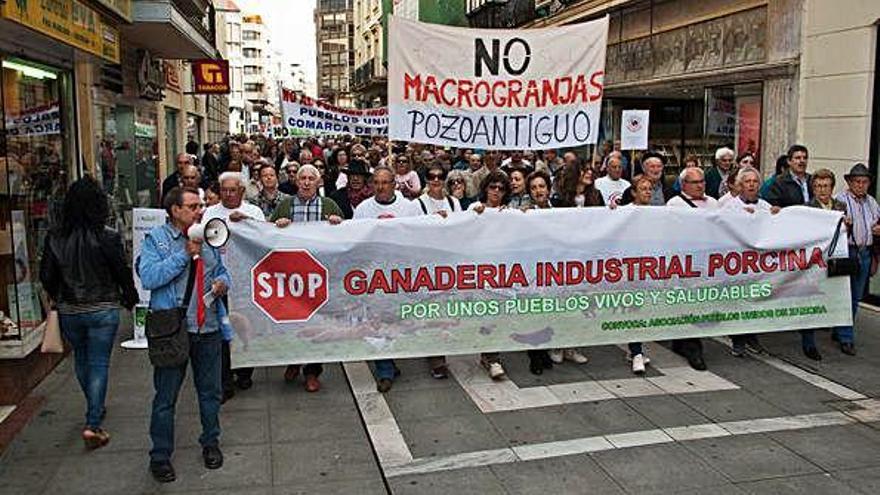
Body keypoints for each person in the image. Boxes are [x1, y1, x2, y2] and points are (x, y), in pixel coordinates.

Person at [138, 187, 231, 483]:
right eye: (192, 206)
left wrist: (221, 284)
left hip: (208, 327)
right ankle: (160, 455)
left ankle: (211, 442)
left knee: (210, 391)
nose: (199, 211)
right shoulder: (157, 240)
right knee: (166, 397)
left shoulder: (209, 237)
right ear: (175, 210)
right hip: (172, 329)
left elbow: (223, 272)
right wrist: (183, 255)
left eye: (200, 205)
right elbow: (150, 277)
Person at [39, 177, 138, 449]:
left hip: (70, 308)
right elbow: (121, 271)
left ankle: (94, 408)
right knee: (98, 363)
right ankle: (93, 421)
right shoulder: (106, 236)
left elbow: (46, 274)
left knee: (82, 360)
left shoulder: (55, 237)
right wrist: (130, 297)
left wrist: (58, 293)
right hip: (103, 307)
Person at [272, 164, 343, 391]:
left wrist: (337, 224)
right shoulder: (286, 206)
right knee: (293, 322)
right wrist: (276, 226)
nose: (305, 182)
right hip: (291, 275)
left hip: (320, 274)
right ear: (296, 181)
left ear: (318, 181)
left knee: (316, 322)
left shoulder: (329, 205)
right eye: (302, 178)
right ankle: (293, 360)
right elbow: (265, 236)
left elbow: (346, 237)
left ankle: (312, 371)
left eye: (310, 178)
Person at [354, 166, 422, 392]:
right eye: (377, 182)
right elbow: (354, 239)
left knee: (400, 320)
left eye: (386, 182)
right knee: (378, 321)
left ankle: (391, 360)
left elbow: (424, 233)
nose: (381, 187)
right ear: (372, 185)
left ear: (395, 184)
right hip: (375, 276)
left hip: (403, 274)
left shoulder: (410, 208)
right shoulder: (363, 209)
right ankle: (384, 369)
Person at [202, 172, 265, 398]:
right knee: (222, 331)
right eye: (224, 190)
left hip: (246, 279)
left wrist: (246, 223)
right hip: (219, 281)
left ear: (241, 191)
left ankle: (245, 372)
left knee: (244, 328)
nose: (228, 194)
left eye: (233, 190)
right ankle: (225, 380)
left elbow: (263, 239)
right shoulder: (210, 213)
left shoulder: (253, 212)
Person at [666, 167, 715, 370]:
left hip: (708, 260)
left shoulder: (713, 202)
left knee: (699, 302)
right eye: (695, 182)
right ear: (684, 184)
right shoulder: (674, 204)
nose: (701, 185)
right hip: (686, 261)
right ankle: (693, 348)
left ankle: (680, 342)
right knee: (689, 303)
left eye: (702, 181)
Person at [468, 171, 513, 380]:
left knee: (498, 318)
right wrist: (473, 218)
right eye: (493, 187)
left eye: (501, 188)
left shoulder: (509, 213)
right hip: (481, 273)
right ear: (485, 188)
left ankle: (489, 355)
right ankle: (492, 357)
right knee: (487, 316)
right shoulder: (474, 209)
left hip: (504, 274)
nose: (496, 191)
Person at [833, 163, 880, 355]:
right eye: (857, 182)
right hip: (848, 252)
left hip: (866, 252)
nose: (861, 185)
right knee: (849, 296)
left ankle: (839, 328)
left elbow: (877, 222)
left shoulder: (872, 203)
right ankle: (846, 337)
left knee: (857, 295)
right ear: (850, 183)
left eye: (864, 182)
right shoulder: (840, 201)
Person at [802, 169, 848, 360]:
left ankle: (841, 333)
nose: (822, 190)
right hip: (815, 262)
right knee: (811, 302)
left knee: (838, 297)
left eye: (826, 186)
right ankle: (809, 343)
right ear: (813, 188)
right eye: (818, 186)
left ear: (832, 187)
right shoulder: (807, 208)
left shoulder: (841, 206)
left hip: (836, 260)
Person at [619, 175, 655, 374]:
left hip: (648, 269)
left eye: (650, 188)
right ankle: (636, 352)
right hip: (627, 270)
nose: (648, 192)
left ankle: (635, 350)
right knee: (634, 309)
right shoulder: (624, 212)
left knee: (640, 310)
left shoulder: (657, 214)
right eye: (643, 188)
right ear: (633, 192)